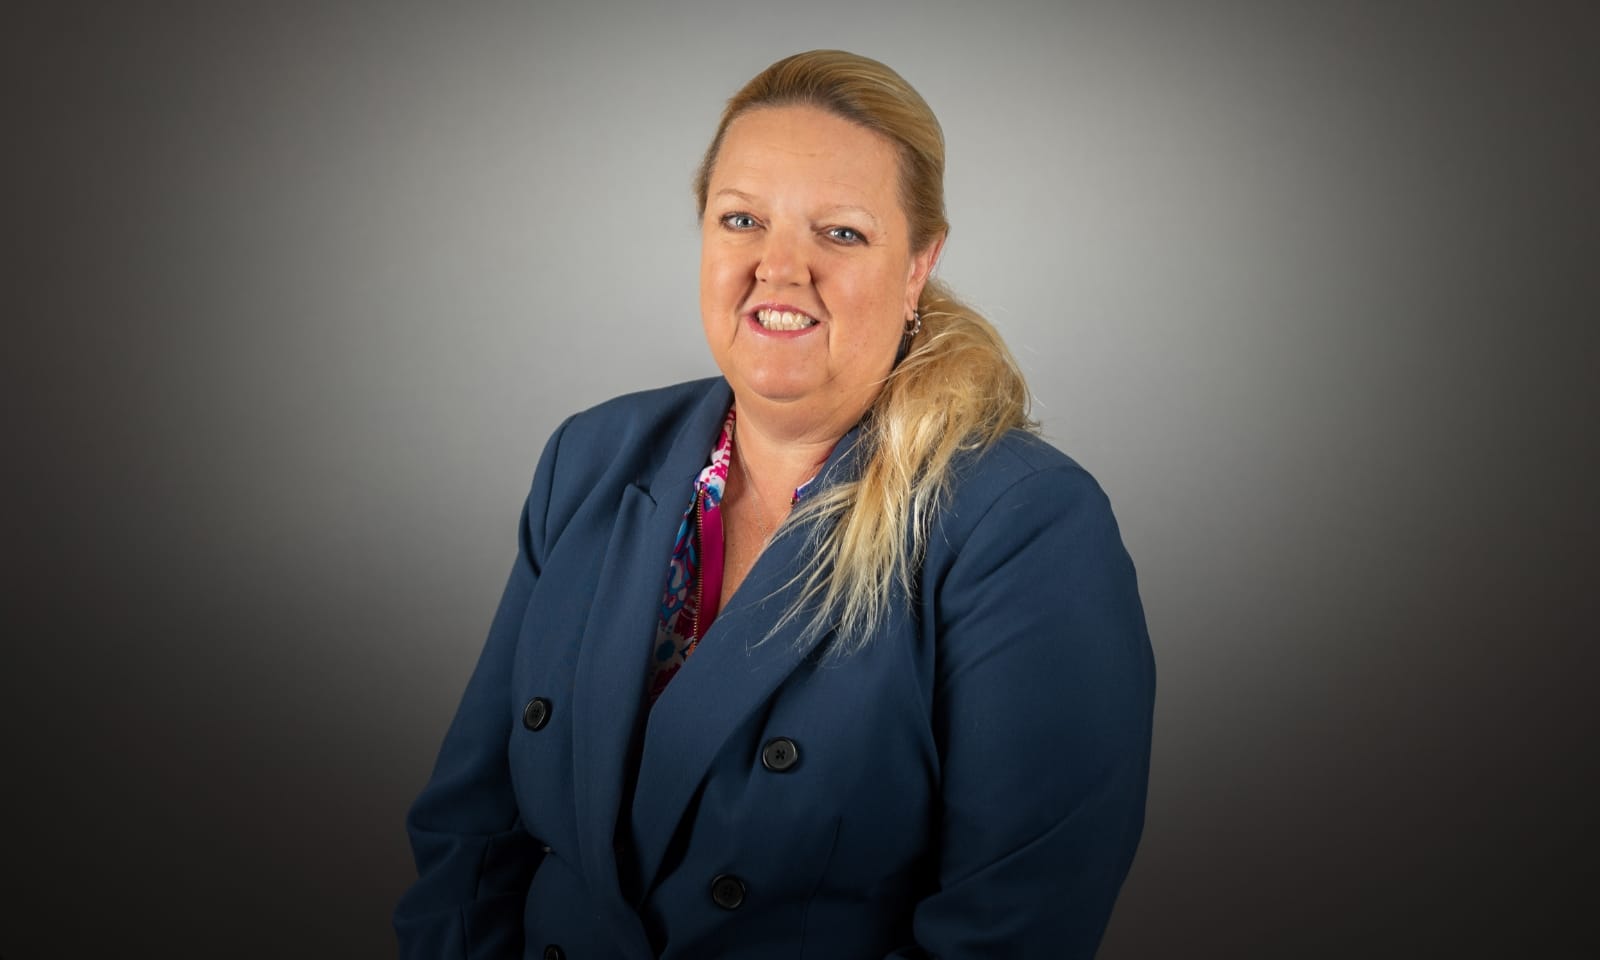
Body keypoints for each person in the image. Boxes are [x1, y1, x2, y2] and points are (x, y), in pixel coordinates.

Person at [395, 49, 1155, 959]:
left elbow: (1010, 931)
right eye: (742, 219)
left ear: (919, 265)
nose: (778, 268)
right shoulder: (589, 459)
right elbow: (469, 840)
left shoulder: (1020, 525)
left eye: (840, 233)